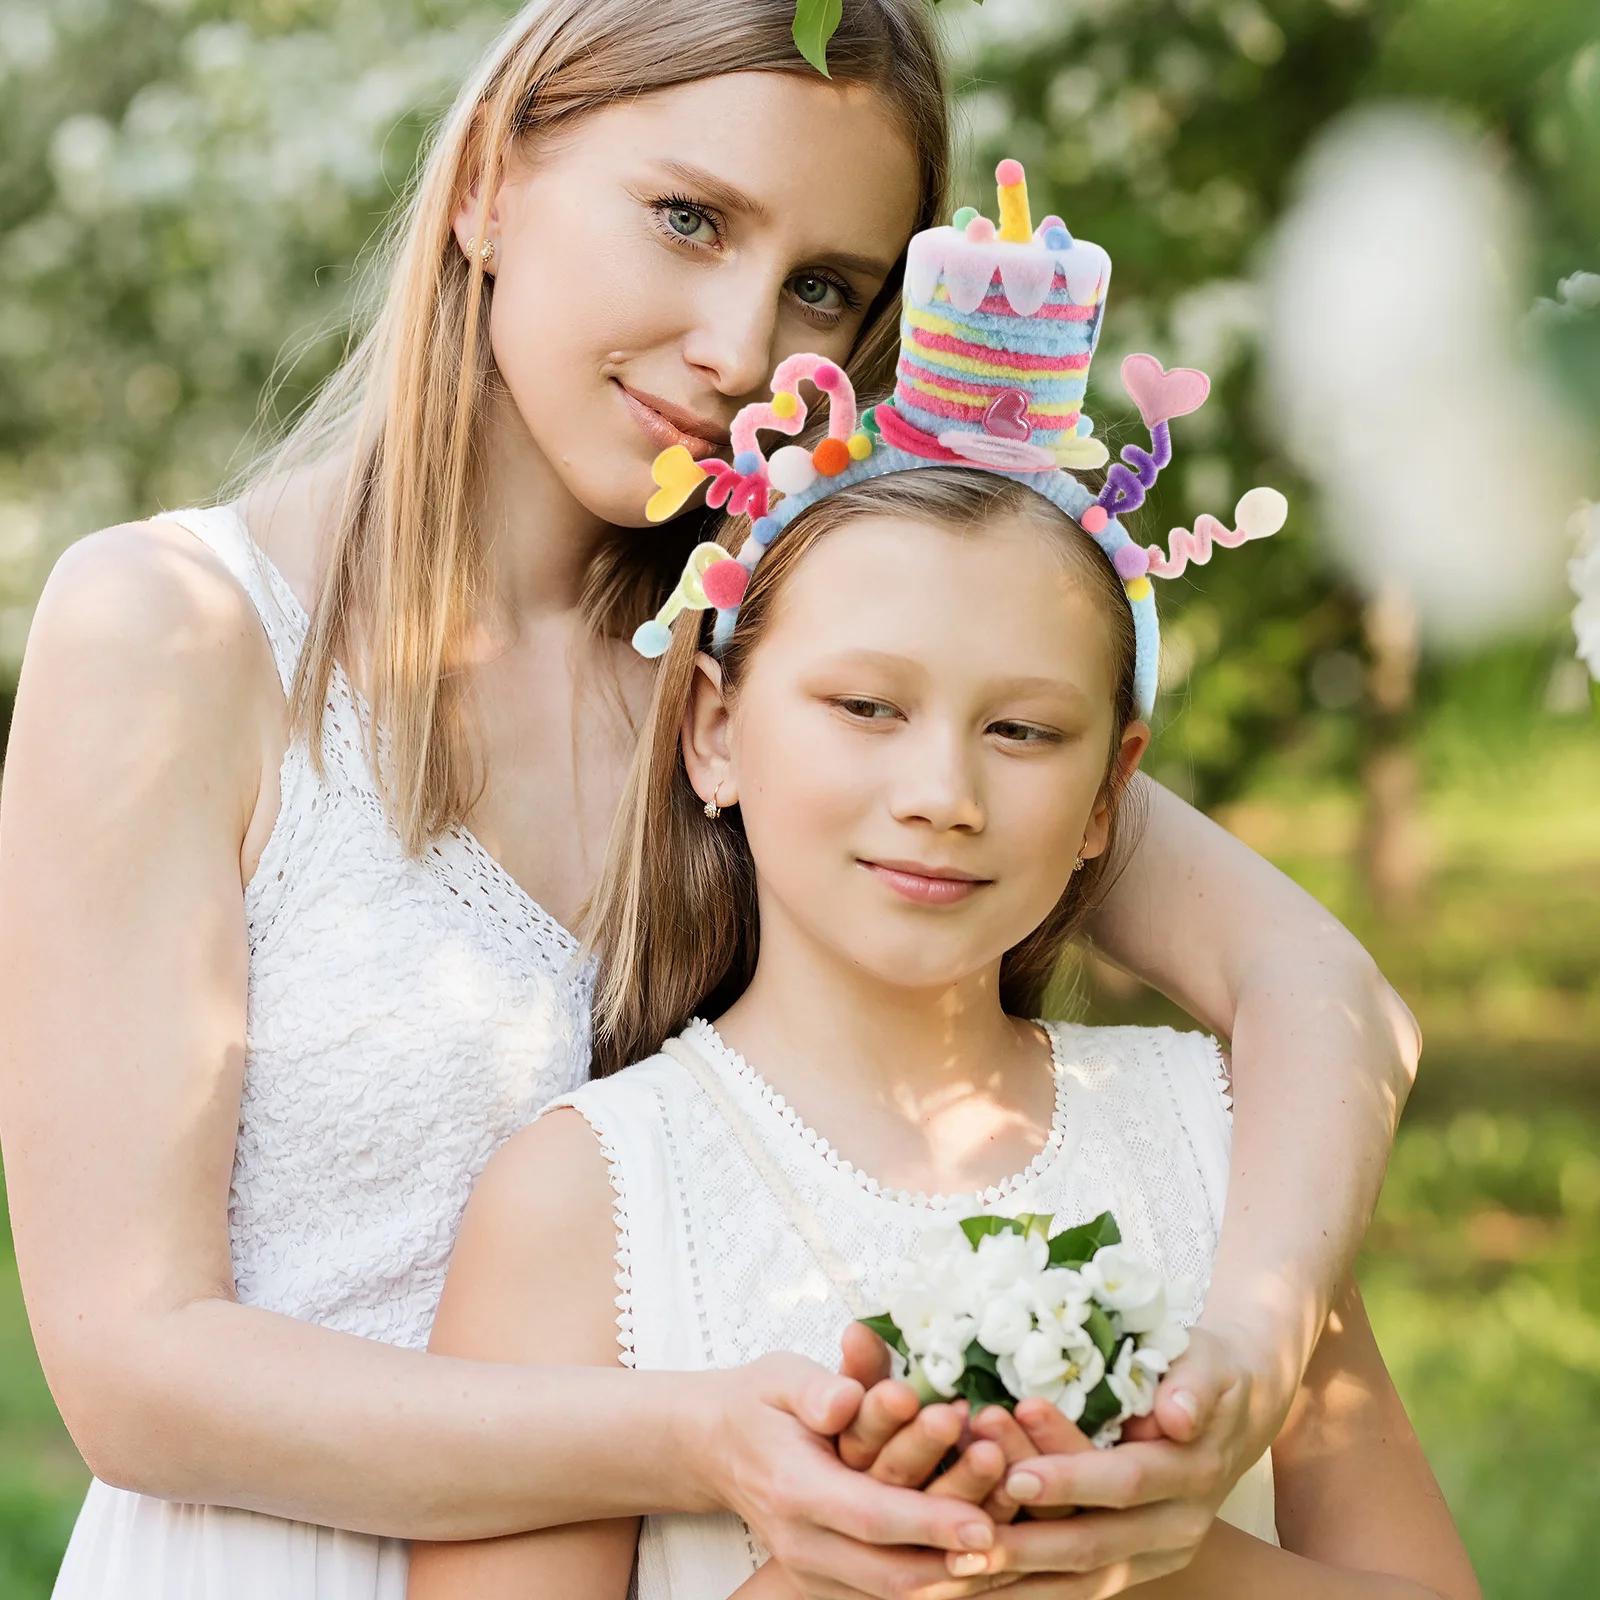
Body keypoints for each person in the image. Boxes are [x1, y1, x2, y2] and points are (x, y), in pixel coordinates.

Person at [0, 3, 1414, 1596]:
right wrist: (697, 1440)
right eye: (689, 218)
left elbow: (1322, 991)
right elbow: (130, 1367)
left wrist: (1247, 1358)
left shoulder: (812, 687)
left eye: (823, 286)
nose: (745, 348)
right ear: (485, 184)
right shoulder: (174, 633)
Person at [406, 271, 1477, 1596]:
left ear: (1107, 794)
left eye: (1023, 731)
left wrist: (1155, 1553)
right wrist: (867, 1561)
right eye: (865, 706)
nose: (941, 795)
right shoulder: (590, 1200)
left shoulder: (1224, 1138)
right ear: (718, 732)